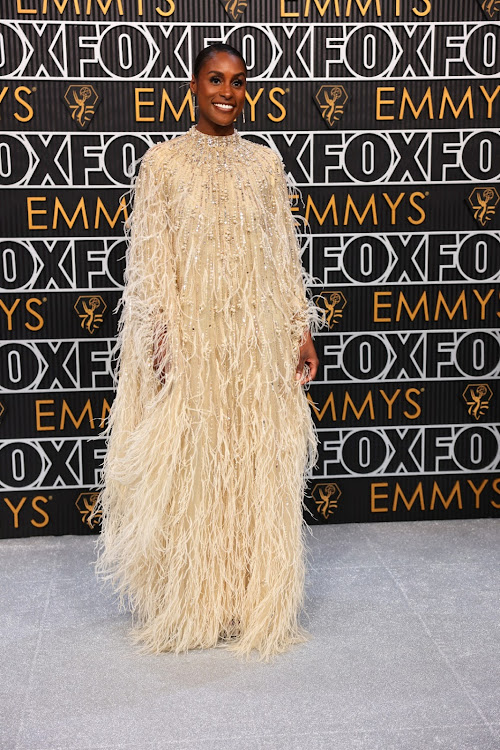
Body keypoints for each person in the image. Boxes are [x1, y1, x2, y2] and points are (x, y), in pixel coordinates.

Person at [88, 42, 326, 662]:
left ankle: (248, 599)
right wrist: (161, 334)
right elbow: (150, 257)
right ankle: (196, 598)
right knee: (195, 466)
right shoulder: (162, 164)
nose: (227, 91)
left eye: (238, 81)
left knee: (251, 463)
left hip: (252, 337)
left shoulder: (263, 166)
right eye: (215, 79)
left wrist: (299, 329)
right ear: (194, 87)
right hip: (194, 340)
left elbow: (283, 256)